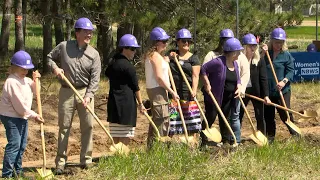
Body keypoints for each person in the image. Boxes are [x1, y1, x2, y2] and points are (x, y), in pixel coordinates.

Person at [47, 17, 101, 174]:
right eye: (86, 31)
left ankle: (86, 160)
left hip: (85, 91)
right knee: (64, 127)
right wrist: (55, 68)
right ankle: (61, 162)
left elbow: (95, 78)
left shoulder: (94, 54)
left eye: (91, 32)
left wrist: (89, 95)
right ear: (77, 33)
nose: (89, 35)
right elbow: (50, 58)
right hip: (66, 91)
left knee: (88, 126)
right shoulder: (64, 47)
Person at [0, 51, 44, 178]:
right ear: (14, 67)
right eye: (22, 69)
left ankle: (17, 172)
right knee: (14, 144)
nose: (25, 71)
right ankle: (7, 174)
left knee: (22, 144)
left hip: (22, 116)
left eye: (27, 69)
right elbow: (19, 107)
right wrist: (34, 115)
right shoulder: (11, 82)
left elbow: (37, 92)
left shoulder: (26, 80)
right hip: (11, 117)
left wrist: (36, 80)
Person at [203, 28, 250, 144]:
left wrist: (239, 86)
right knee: (211, 117)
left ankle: (225, 141)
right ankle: (202, 140)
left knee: (226, 119)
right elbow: (203, 69)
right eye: (238, 51)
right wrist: (207, 84)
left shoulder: (235, 63)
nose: (240, 53)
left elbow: (238, 77)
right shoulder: (218, 61)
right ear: (233, 52)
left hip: (228, 97)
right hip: (215, 96)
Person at [105, 34, 146, 146]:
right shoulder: (129, 67)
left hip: (113, 104)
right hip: (127, 105)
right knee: (125, 136)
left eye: (135, 49)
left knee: (116, 136)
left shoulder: (112, 64)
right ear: (124, 48)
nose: (134, 52)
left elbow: (107, 74)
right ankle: (123, 157)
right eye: (132, 49)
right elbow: (136, 87)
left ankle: (117, 157)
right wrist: (141, 104)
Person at [144, 27, 179, 148]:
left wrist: (167, 59)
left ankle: (153, 148)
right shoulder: (155, 56)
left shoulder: (155, 56)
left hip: (159, 90)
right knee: (161, 120)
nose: (166, 44)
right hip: (157, 91)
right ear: (156, 42)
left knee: (160, 119)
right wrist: (172, 92)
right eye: (163, 41)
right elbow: (159, 78)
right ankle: (157, 148)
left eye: (166, 41)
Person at [262, 27, 298, 143]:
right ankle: (270, 137)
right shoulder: (267, 53)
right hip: (269, 90)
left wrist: (284, 81)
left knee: (285, 113)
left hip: (283, 91)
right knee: (268, 115)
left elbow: (291, 71)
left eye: (281, 42)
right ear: (272, 41)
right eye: (276, 42)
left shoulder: (286, 55)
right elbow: (257, 63)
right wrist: (263, 53)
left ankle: (295, 134)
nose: (279, 45)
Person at [167, 28, 201, 136]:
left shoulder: (193, 58)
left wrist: (194, 90)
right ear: (178, 42)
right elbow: (162, 60)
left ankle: (191, 141)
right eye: (183, 40)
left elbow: (195, 76)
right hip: (173, 92)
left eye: (188, 41)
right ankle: (173, 142)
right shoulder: (172, 55)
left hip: (188, 91)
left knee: (191, 119)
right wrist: (169, 56)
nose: (186, 43)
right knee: (174, 119)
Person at [239, 33, 271, 135]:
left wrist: (266, 95)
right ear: (245, 47)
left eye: (254, 46)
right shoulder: (238, 60)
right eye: (250, 46)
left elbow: (263, 78)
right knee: (238, 114)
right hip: (243, 91)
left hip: (256, 91)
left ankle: (262, 135)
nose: (253, 48)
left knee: (259, 115)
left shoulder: (259, 61)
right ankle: (236, 136)